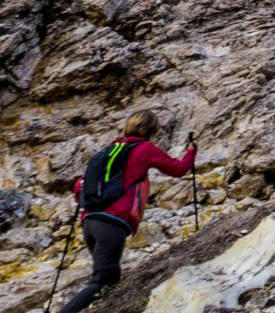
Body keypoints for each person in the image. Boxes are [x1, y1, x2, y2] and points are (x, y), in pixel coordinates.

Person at [57, 110, 197, 313]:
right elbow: (178, 169)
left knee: (109, 281)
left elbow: (81, 186)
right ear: (152, 130)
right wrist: (191, 152)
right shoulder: (145, 149)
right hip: (112, 224)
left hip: (89, 222)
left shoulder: (108, 150)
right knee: (103, 282)